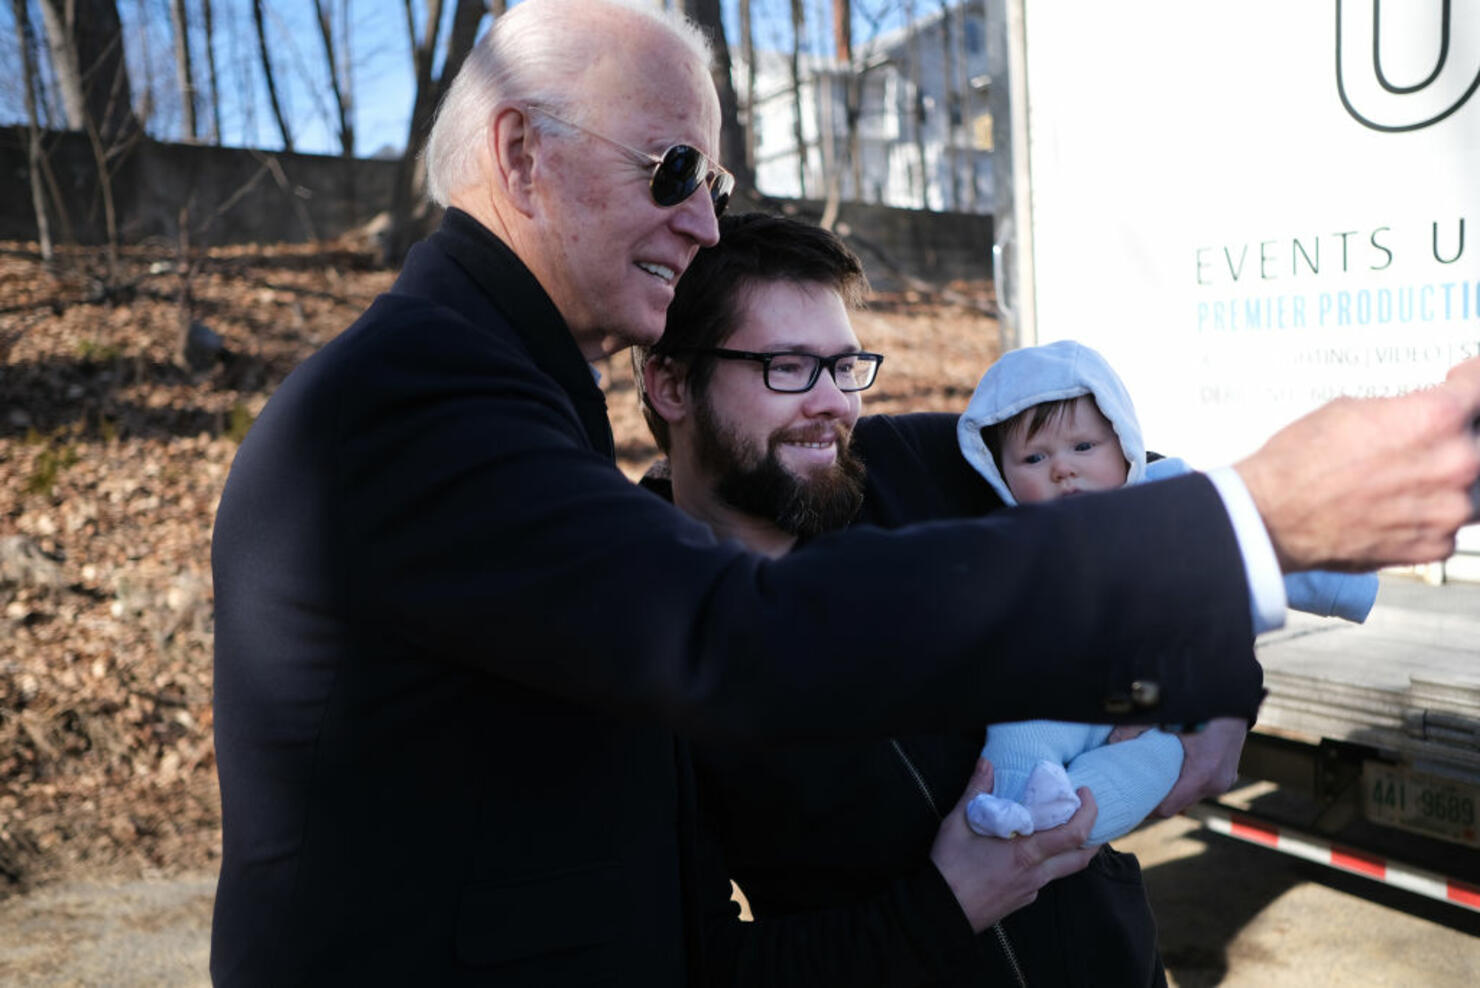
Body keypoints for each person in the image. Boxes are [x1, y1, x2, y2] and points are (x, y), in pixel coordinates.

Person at [207, 0, 1480, 982]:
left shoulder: (873, 461)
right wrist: (1258, 523)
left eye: (707, 185)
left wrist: (1212, 682)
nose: (701, 221)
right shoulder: (415, 403)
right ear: (519, 156)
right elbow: (741, 645)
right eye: (671, 172)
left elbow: (1089, 514)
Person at [637, 212, 1165, 984]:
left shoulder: (920, 464)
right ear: (673, 383)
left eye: (845, 367)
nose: (834, 404)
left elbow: (1148, 489)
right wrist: (948, 905)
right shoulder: (647, 637)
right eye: (789, 366)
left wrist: (1215, 708)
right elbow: (707, 963)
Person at [955, 340, 1380, 844]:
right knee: (1017, 733)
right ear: (998, 470)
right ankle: (1008, 807)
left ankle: (1060, 822)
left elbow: (1259, 535)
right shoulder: (1009, 538)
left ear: (1125, 441)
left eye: (1083, 447)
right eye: (1033, 457)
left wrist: (1348, 575)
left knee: (1155, 762)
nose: (1062, 468)